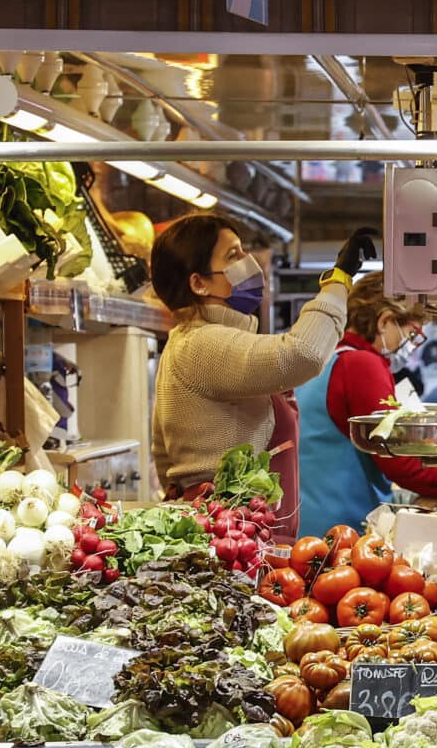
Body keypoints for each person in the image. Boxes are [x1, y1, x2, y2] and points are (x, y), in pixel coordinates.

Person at [150, 215, 376, 534]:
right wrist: (338, 281)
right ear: (199, 282)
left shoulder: (195, 341)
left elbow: (163, 452)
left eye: (243, 251)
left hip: (236, 533)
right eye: (233, 256)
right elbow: (302, 353)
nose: (249, 263)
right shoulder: (201, 343)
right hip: (228, 539)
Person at [296, 270, 437, 536]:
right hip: (343, 530)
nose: (410, 347)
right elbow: (397, 458)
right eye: (411, 335)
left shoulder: (325, 358)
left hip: (309, 522)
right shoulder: (362, 364)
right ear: (385, 321)